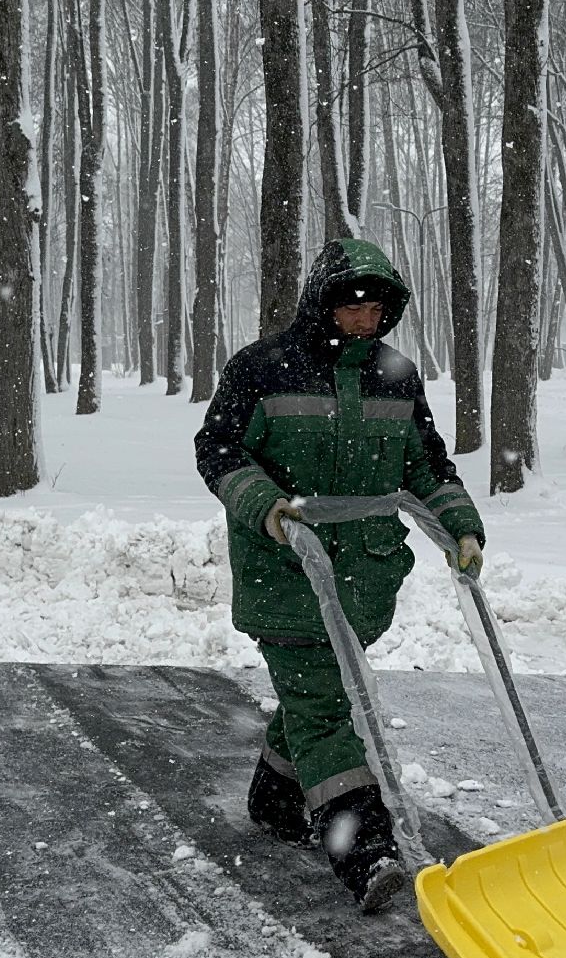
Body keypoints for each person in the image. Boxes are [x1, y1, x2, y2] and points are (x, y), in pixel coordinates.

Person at [194, 238, 485, 911]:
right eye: (351, 309)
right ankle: (366, 847)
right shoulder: (263, 369)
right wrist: (268, 510)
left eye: (375, 310)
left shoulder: (395, 374)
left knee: (313, 702)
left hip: (365, 576)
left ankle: (275, 796)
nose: (363, 321)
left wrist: (459, 527)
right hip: (286, 572)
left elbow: (427, 465)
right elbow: (219, 449)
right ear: (321, 306)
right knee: (326, 710)